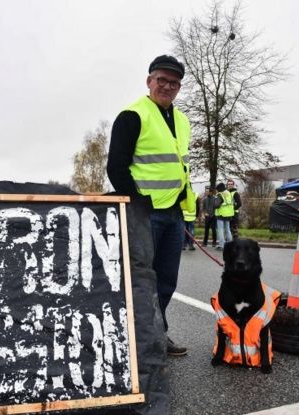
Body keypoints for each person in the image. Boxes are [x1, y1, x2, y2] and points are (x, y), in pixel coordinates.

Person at [107, 54, 192, 357]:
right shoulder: (133, 115)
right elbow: (116, 168)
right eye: (162, 80)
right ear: (149, 81)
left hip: (173, 214)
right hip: (145, 215)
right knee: (141, 280)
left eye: (174, 83)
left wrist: (183, 202)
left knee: (166, 280)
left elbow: (179, 166)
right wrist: (138, 205)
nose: (167, 86)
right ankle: (132, 341)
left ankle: (157, 334)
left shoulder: (182, 121)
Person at [214, 182, 234, 250]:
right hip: (228, 214)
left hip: (221, 214)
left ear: (219, 189)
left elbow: (216, 205)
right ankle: (231, 245)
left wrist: (215, 200)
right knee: (228, 230)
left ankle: (222, 245)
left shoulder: (220, 195)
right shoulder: (229, 193)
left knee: (220, 230)